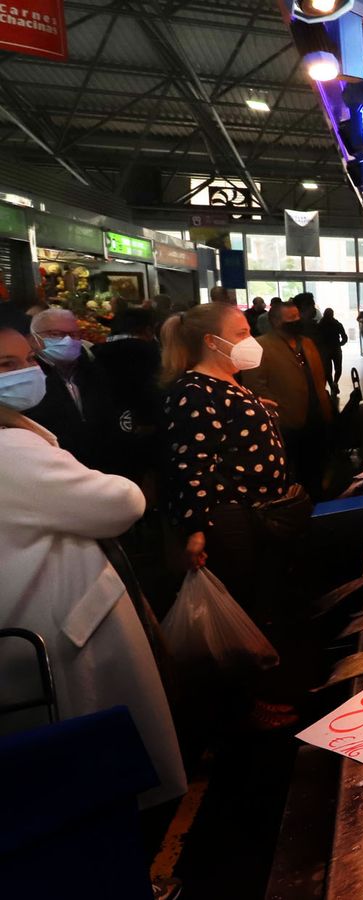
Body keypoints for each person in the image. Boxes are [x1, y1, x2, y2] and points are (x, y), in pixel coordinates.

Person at [0, 314, 186, 807]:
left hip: (33, 621)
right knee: (92, 768)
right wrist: (113, 478)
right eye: (5, 364)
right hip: (57, 627)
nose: (23, 372)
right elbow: (118, 503)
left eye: (23, 361)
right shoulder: (11, 449)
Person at [158, 303, 306, 728]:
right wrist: (197, 530)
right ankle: (241, 710)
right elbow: (191, 462)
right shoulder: (193, 390)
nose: (250, 341)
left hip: (253, 514)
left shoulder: (226, 382)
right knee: (236, 612)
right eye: (240, 333)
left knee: (257, 603)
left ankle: (255, 694)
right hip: (227, 518)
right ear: (211, 340)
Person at [240, 302, 332, 495]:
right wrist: (278, 408)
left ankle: (318, 500)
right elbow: (255, 385)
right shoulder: (259, 345)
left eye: (297, 318)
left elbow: (318, 376)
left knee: (316, 466)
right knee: (289, 470)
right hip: (285, 421)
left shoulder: (306, 342)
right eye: (290, 320)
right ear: (275, 321)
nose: (296, 322)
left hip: (315, 416)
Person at [27, 307, 112, 472]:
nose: (67, 340)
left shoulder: (95, 371)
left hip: (99, 471)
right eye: (54, 334)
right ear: (33, 339)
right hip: (50, 471)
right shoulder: (29, 378)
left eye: (73, 335)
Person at [94, 304, 165, 497]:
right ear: (149, 329)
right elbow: (151, 392)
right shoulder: (150, 354)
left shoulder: (96, 352)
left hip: (106, 429)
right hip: (144, 428)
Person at [316, 308, 349, 398]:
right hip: (336, 349)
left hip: (325, 350)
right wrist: (339, 344)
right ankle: (335, 383)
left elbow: (317, 339)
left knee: (327, 370)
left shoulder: (320, 325)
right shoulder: (337, 324)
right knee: (338, 368)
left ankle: (332, 386)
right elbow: (345, 338)